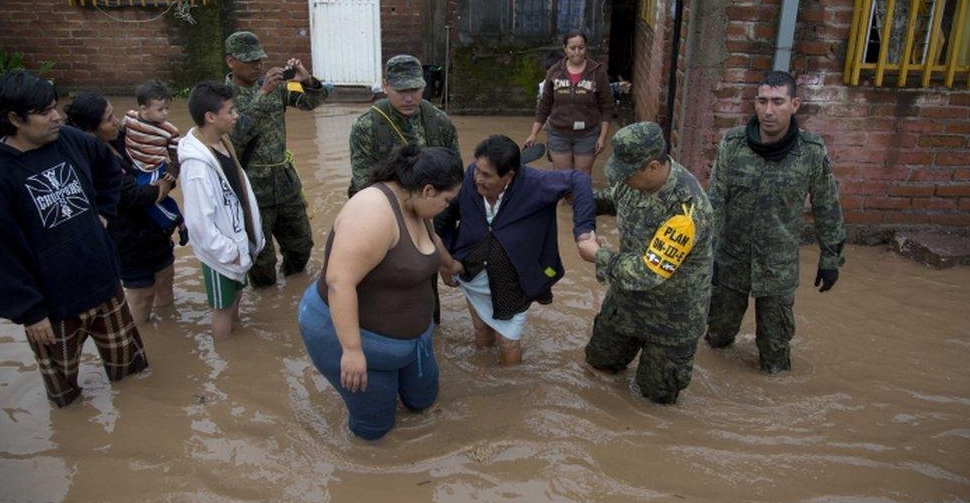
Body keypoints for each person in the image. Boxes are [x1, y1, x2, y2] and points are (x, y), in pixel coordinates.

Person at [0, 71, 149, 407]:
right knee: (65, 399)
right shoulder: (0, 174)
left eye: (55, 107)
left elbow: (110, 170)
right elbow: (1, 256)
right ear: (14, 119)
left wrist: (104, 212)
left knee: (133, 377)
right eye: (46, 111)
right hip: (53, 309)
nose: (57, 117)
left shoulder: (69, 140)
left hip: (105, 286)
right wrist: (30, 311)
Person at [298, 145, 463, 441]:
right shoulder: (372, 211)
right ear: (428, 190)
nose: (448, 207)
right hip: (355, 340)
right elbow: (340, 282)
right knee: (375, 430)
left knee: (423, 402)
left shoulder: (415, 200)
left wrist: (450, 267)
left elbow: (432, 241)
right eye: (447, 200)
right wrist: (351, 351)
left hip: (413, 341)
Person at [704, 71, 845, 373]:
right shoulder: (733, 145)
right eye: (763, 101)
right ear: (755, 103)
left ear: (794, 104)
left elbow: (827, 206)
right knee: (716, 339)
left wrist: (830, 256)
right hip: (731, 262)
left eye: (778, 102)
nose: (769, 111)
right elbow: (714, 203)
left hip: (778, 268)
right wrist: (705, 255)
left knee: (775, 356)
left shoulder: (810, 151)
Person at [576, 122, 713, 405]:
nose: (622, 180)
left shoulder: (688, 210)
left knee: (655, 399)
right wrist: (580, 200)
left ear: (652, 167)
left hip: (671, 316)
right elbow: (615, 198)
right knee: (598, 366)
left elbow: (648, 272)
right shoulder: (636, 181)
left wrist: (597, 254)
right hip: (627, 302)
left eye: (628, 175)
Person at [434, 135, 595, 365]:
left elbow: (579, 179)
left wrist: (583, 229)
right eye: (476, 169)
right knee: (481, 333)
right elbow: (443, 219)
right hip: (472, 273)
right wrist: (446, 263)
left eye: (487, 175)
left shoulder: (533, 183)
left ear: (509, 176)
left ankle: (510, 391)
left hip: (514, 281)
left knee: (508, 342)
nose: (477, 178)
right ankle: (485, 384)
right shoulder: (469, 178)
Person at [225, 30, 329, 288]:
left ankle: (293, 291)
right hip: (251, 187)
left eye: (259, 59)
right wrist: (262, 95)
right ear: (231, 62)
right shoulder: (221, 97)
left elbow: (311, 103)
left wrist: (307, 80)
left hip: (285, 183)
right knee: (261, 259)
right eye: (249, 61)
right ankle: (266, 299)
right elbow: (236, 135)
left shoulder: (277, 87)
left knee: (302, 245)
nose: (257, 65)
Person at [64, 92, 176, 325]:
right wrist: (165, 184)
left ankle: (170, 328)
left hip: (153, 228)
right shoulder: (91, 158)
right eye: (109, 118)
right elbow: (133, 196)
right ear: (89, 129)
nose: (117, 121)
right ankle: (145, 341)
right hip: (128, 237)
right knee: (141, 295)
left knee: (165, 278)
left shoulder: (118, 139)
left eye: (114, 114)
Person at [179, 81, 265, 339]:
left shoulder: (222, 142)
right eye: (230, 111)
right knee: (223, 308)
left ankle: (237, 351)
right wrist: (230, 253)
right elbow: (198, 224)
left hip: (237, 243)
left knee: (236, 298)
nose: (236, 116)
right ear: (210, 117)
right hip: (222, 253)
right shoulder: (196, 167)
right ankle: (227, 361)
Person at [348, 54, 460, 197]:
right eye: (401, 90)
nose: (409, 98)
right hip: (385, 205)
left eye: (415, 89)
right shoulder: (365, 127)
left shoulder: (440, 121)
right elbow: (363, 184)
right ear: (385, 86)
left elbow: (454, 175)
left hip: (433, 202)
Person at [524, 31, 616, 175]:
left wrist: (602, 137)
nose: (577, 52)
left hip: (588, 134)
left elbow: (607, 107)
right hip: (558, 133)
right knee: (562, 176)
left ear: (586, 48)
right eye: (572, 48)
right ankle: (565, 198)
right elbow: (544, 105)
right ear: (565, 49)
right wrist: (533, 133)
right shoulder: (554, 72)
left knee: (582, 175)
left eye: (581, 47)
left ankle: (580, 198)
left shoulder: (597, 72)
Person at [121, 80, 187, 245]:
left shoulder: (170, 131)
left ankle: (171, 223)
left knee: (148, 198)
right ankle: (179, 221)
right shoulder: (129, 118)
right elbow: (121, 134)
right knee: (152, 199)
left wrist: (172, 172)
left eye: (167, 108)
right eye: (160, 109)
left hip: (154, 168)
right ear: (143, 108)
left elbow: (175, 155)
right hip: (135, 167)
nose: (165, 113)